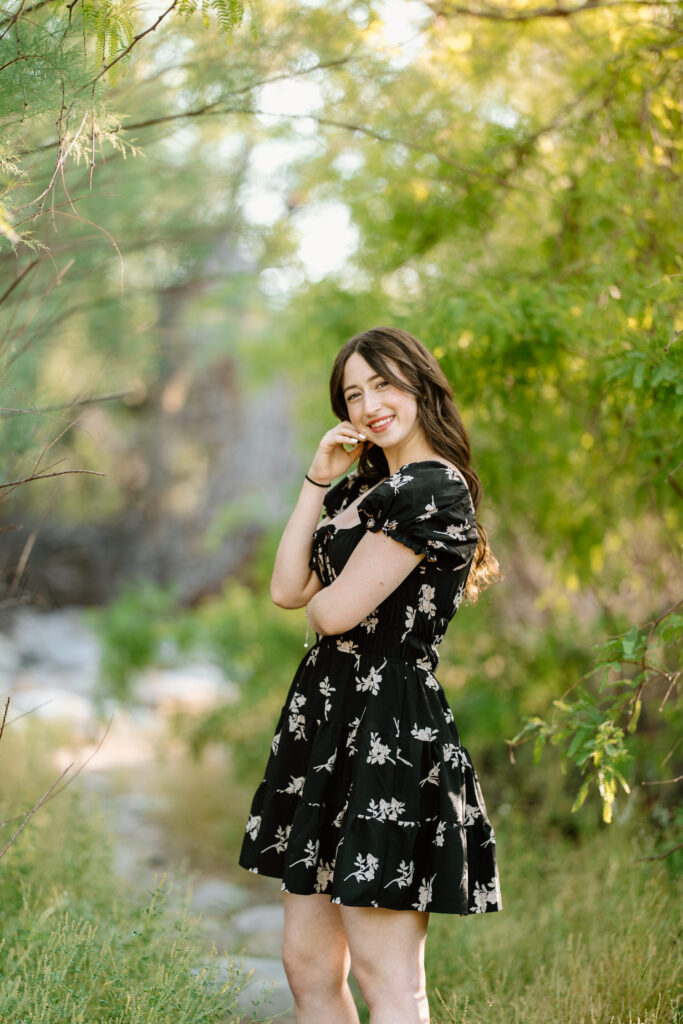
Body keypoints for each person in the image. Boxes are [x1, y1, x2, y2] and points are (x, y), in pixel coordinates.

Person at [239, 326, 503, 1023]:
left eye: (382, 383)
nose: (369, 404)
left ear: (418, 382)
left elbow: (333, 613)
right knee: (307, 968)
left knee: (389, 983)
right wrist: (317, 480)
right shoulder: (367, 488)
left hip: (386, 726)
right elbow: (289, 589)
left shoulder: (432, 487)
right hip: (328, 721)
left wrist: (329, 600)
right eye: (353, 394)